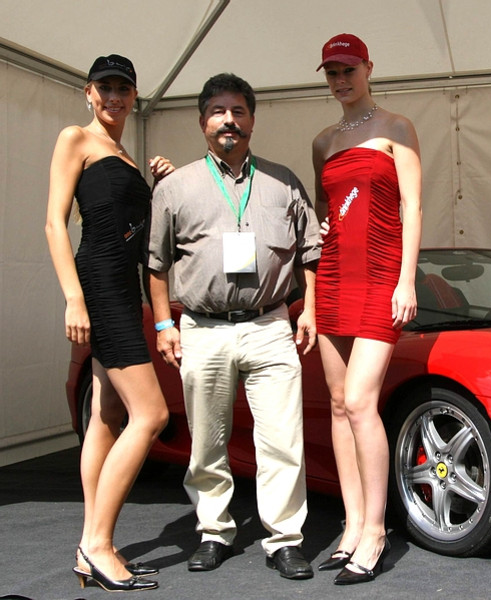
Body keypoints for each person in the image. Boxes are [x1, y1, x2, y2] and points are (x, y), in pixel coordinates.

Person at [146, 73, 321, 580]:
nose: (229, 121)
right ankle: (214, 531)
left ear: (252, 120)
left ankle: (284, 539)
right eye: (218, 112)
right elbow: (155, 264)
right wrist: (163, 323)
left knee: (282, 441)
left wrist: (308, 309)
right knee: (207, 442)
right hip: (203, 328)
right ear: (202, 121)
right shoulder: (175, 187)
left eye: (238, 111)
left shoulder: (283, 181)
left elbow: (311, 251)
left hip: (270, 326)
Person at [45, 54, 172, 593]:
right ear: (88, 92)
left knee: (108, 413)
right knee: (152, 414)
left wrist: (156, 186)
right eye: (106, 87)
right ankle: (99, 545)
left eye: (124, 88)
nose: (115, 97)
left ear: (134, 96)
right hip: (98, 285)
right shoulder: (76, 138)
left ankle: (87, 545)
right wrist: (74, 299)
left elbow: (132, 230)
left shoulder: (125, 156)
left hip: (122, 287)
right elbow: (54, 223)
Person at [311, 33, 422, 585]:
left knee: (359, 401)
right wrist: (321, 228)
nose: (340, 80)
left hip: (381, 278)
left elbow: (413, 207)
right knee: (337, 403)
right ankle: (352, 525)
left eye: (348, 69)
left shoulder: (397, 128)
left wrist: (407, 281)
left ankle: (377, 531)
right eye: (332, 72)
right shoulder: (323, 141)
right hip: (333, 277)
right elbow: (324, 209)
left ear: (368, 68)